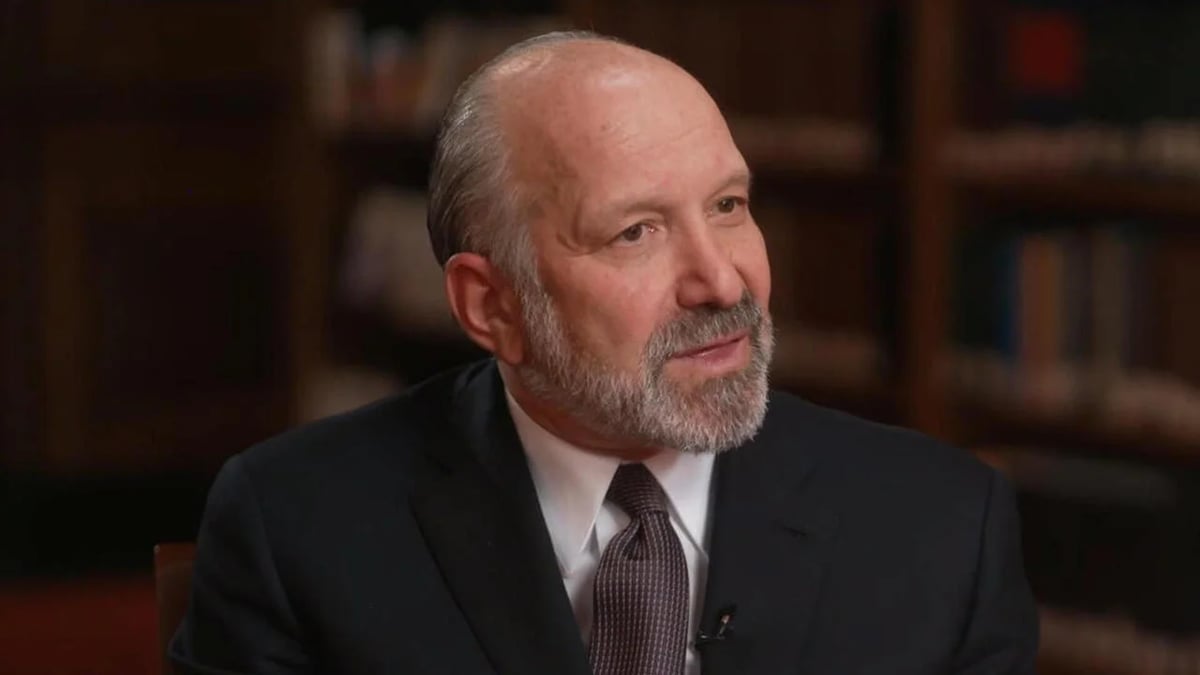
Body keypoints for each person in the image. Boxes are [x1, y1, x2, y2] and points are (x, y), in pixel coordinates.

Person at [170, 31, 1038, 675]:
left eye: (729, 206)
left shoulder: (944, 529)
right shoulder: (296, 528)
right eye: (636, 231)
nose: (722, 281)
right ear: (492, 304)